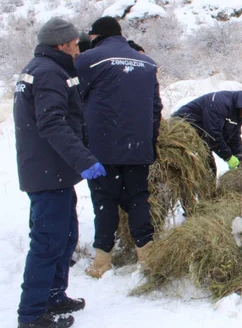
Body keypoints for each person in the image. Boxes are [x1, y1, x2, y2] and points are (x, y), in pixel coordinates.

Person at [14, 18, 107, 328]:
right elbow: (52, 123)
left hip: (52, 171)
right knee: (48, 242)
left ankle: (53, 294)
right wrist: (84, 159)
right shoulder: (48, 73)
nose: (79, 49)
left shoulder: (46, 68)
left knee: (65, 237)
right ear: (62, 45)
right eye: (75, 44)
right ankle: (31, 315)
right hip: (47, 172)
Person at [74, 16, 163, 279]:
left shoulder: (89, 59)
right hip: (138, 146)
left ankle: (102, 261)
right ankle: (147, 257)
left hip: (102, 147)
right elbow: (156, 108)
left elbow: (75, 99)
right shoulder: (147, 62)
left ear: (95, 36)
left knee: (104, 201)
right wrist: (150, 140)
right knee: (137, 199)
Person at [172, 90, 242, 176]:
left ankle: (209, 192)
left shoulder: (237, 114)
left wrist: (241, 159)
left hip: (202, 132)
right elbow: (213, 134)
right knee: (205, 168)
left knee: (210, 170)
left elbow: (234, 137)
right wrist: (228, 157)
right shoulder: (220, 103)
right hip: (184, 129)